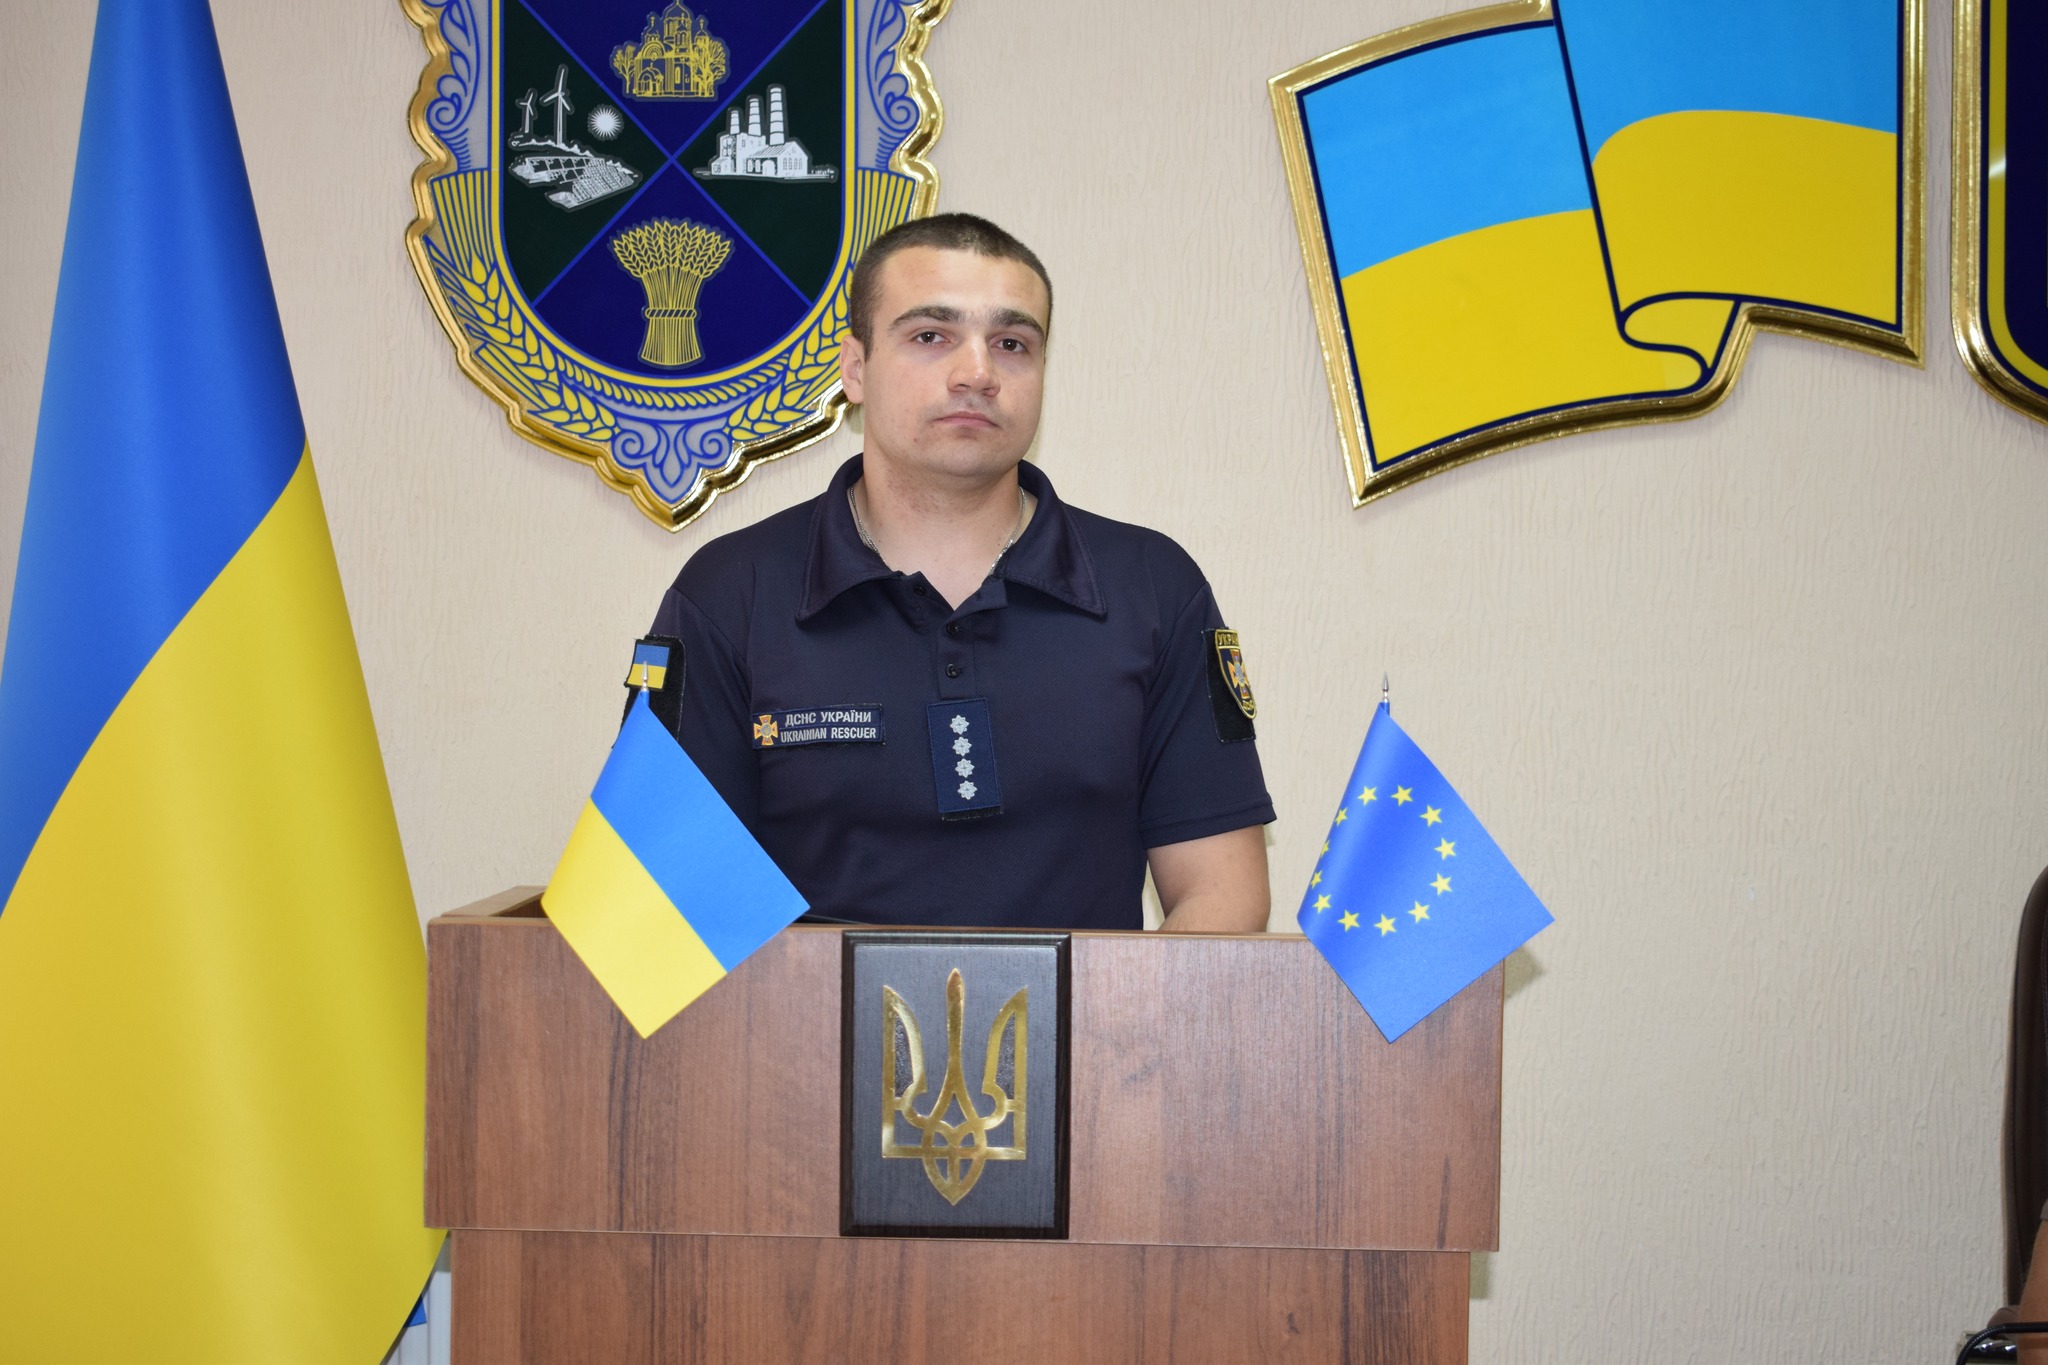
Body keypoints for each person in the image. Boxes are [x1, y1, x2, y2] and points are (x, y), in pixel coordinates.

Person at [649, 213, 1272, 931]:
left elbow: (1222, 898)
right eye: (930, 336)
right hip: (801, 1012)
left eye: (1012, 344)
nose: (977, 373)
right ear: (856, 368)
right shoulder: (730, 593)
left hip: (1093, 1013)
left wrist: (1111, 1017)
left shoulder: (1153, 588)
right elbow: (667, 906)